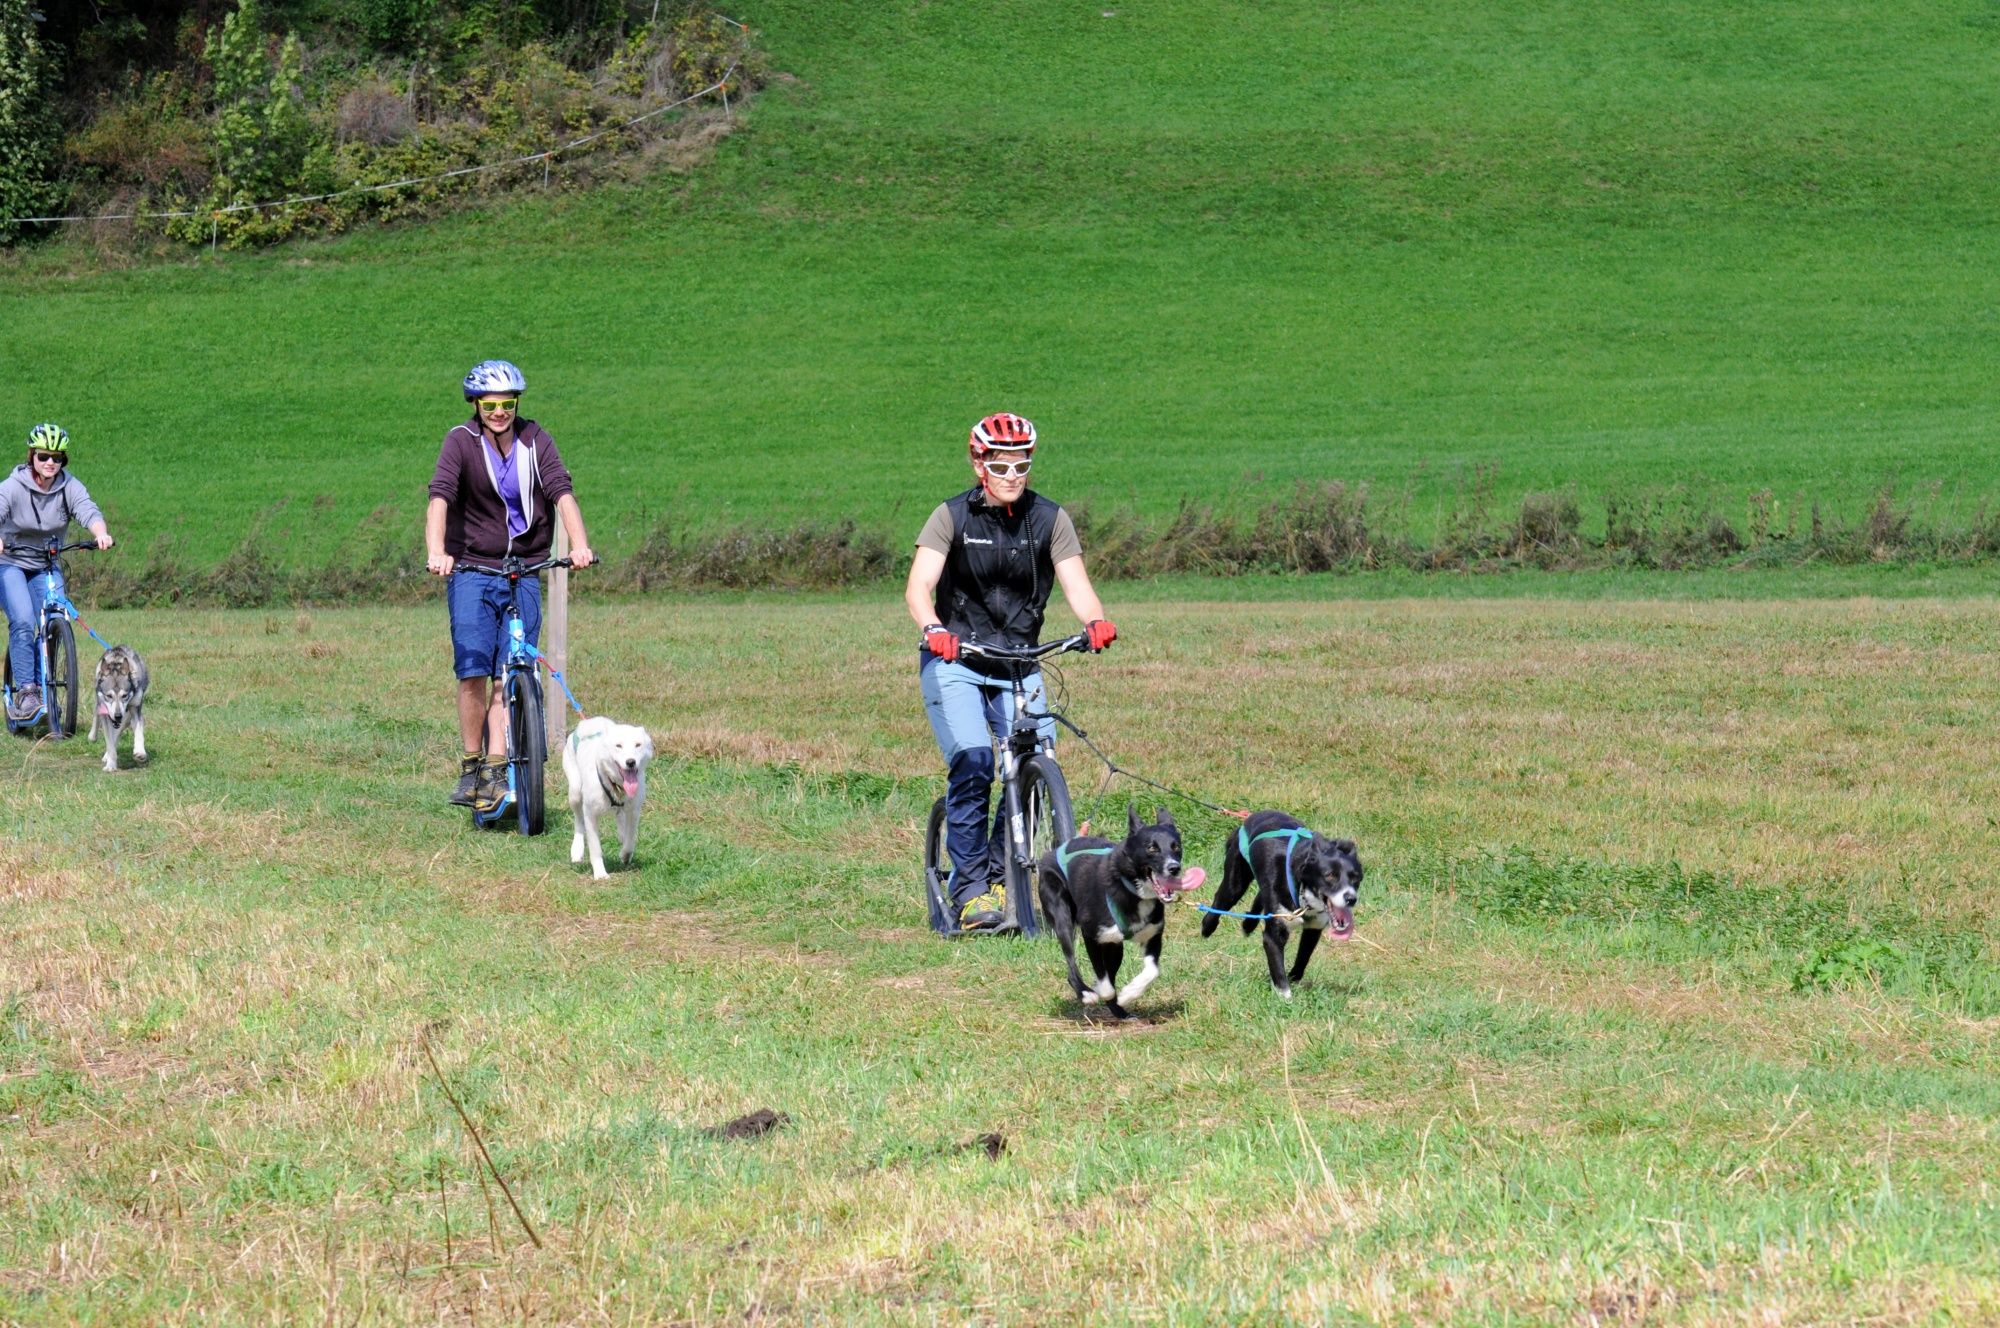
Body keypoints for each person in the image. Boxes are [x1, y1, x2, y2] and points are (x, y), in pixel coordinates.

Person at [904, 412, 1118, 932]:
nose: (1012, 474)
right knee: (976, 759)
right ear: (979, 463)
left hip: (1019, 662)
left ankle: (1005, 876)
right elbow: (918, 588)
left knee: (1035, 760)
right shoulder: (951, 516)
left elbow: (1076, 584)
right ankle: (971, 888)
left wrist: (1095, 621)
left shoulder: (1049, 519)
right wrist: (934, 628)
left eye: (1022, 463)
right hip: (955, 659)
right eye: (1000, 464)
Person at [425, 360, 595, 811]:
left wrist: (579, 545)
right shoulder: (460, 442)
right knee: (474, 672)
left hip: (523, 569)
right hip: (471, 572)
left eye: (507, 403)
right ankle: (471, 765)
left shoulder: (535, 439)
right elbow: (440, 496)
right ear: (476, 405)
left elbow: (561, 492)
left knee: (509, 673)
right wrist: (437, 551)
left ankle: (498, 770)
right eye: (490, 404)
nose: (499, 411)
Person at [0, 424, 113, 726]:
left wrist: (101, 534)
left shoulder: (68, 486)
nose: (50, 462)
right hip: (10, 562)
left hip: (46, 564)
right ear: (32, 456)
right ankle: (26, 692)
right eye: (44, 456)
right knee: (23, 619)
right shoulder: (13, 486)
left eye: (57, 457)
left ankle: (48, 692)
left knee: (55, 619)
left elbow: (88, 510)